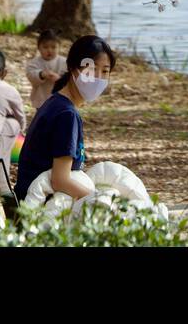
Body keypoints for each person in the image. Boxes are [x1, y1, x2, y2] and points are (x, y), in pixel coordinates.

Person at [14, 35, 116, 203]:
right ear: (73, 68)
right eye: (90, 69)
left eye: (105, 71)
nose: (97, 77)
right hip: (39, 208)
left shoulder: (56, 103)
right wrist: (99, 200)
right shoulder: (66, 115)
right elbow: (60, 181)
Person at [25, 30, 67, 112]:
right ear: (39, 48)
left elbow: (70, 77)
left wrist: (60, 79)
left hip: (60, 99)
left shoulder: (64, 62)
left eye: (53, 47)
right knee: (43, 119)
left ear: (59, 48)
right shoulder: (34, 63)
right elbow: (30, 75)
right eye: (45, 47)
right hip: (41, 99)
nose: (49, 50)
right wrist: (41, 74)